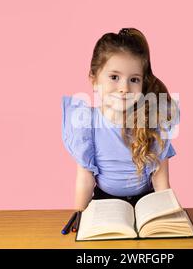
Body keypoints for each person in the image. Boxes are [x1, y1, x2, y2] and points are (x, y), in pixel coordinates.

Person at [61, 28, 179, 211]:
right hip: (104, 202)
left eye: (134, 79)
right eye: (114, 77)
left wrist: (170, 217)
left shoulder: (152, 121)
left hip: (146, 203)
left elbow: (161, 182)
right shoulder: (87, 123)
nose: (124, 88)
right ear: (94, 79)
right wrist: (79, 215)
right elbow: (85, 177)